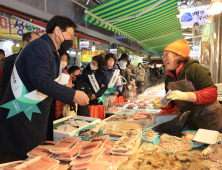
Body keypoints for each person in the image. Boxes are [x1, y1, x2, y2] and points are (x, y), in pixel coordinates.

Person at [0, 15, 89, 162]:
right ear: (58, 31)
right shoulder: (39, 46)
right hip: (23, 112)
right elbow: (41, 81)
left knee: (34, 158)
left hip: (34, 114)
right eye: (70, 35)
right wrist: (72, 94)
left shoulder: (51, 51)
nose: (72, 41)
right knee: (23, 160)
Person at [152, 40, 222, 155]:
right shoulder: (169, 77)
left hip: (209, 119)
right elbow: (171, 99)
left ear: (179, 56)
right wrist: (163, 103)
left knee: (211, 154)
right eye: (162, 55)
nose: (163, 59)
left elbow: (212, 93)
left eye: (166, 55)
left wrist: (186, 95)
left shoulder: (196, 69)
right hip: (188, 120)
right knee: (191, 152)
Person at [0, 32, 39, 102]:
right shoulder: (11, 60)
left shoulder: (40, 61)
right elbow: (5, 84)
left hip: (34, 101)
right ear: (25, 43)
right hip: (16, 103)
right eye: (35, 41)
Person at [55, 51, 75, 119]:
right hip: (50, 104)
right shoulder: (51, 71)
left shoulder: (66, 74)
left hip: (60, 106)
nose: (64, 62)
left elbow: (69, 89)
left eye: (66, 60)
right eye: (62, 59)